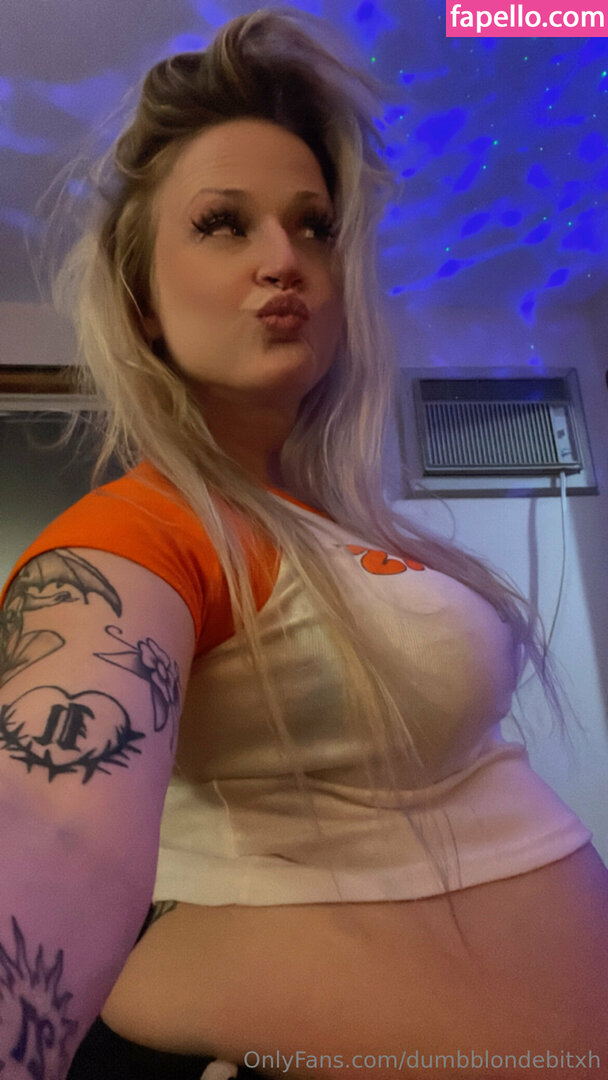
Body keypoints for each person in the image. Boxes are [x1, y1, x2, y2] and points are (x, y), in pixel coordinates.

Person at [0, 8, 606, 1080]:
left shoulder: (340, 521)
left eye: (314, 227)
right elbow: (55, 830)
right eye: (223, 225)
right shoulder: (140, 535)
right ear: (143, 302)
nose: (284, 260)